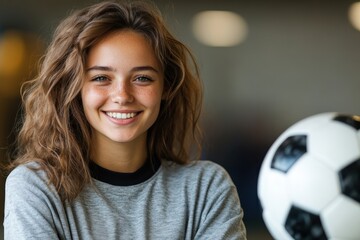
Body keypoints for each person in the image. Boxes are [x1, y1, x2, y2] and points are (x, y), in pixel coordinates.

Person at [3, 1, 247, 239]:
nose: (122, 96)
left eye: (142, 78)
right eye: (101, 78)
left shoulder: (205, 188)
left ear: (166, 88)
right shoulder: (36, 187)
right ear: (74, 88)